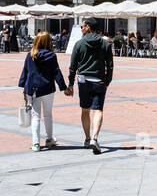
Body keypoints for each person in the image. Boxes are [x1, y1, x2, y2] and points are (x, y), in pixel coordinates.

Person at [65, 15, 113, 154]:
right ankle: (95, 138)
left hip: (83, 81)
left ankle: (87, 138)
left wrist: (70, 83)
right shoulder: (105, 44)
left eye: (82, 26)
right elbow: (110, 65)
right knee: (98, 110)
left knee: (85, 110)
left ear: (88, 28)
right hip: (99, 80)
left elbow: (72, 66)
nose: (81, 29)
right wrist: (107, 81)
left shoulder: (79, 44)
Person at [18, 30, 66, 152]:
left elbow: (25, 71)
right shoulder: (51, 55)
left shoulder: (30, 55)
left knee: (35, 116)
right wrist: (64, 87)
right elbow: (56, 72)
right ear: (48, 42)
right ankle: (49, 139)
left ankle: (36, 143)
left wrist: (23, 85)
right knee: (48, 115)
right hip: (47, 88)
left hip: (32, 89)